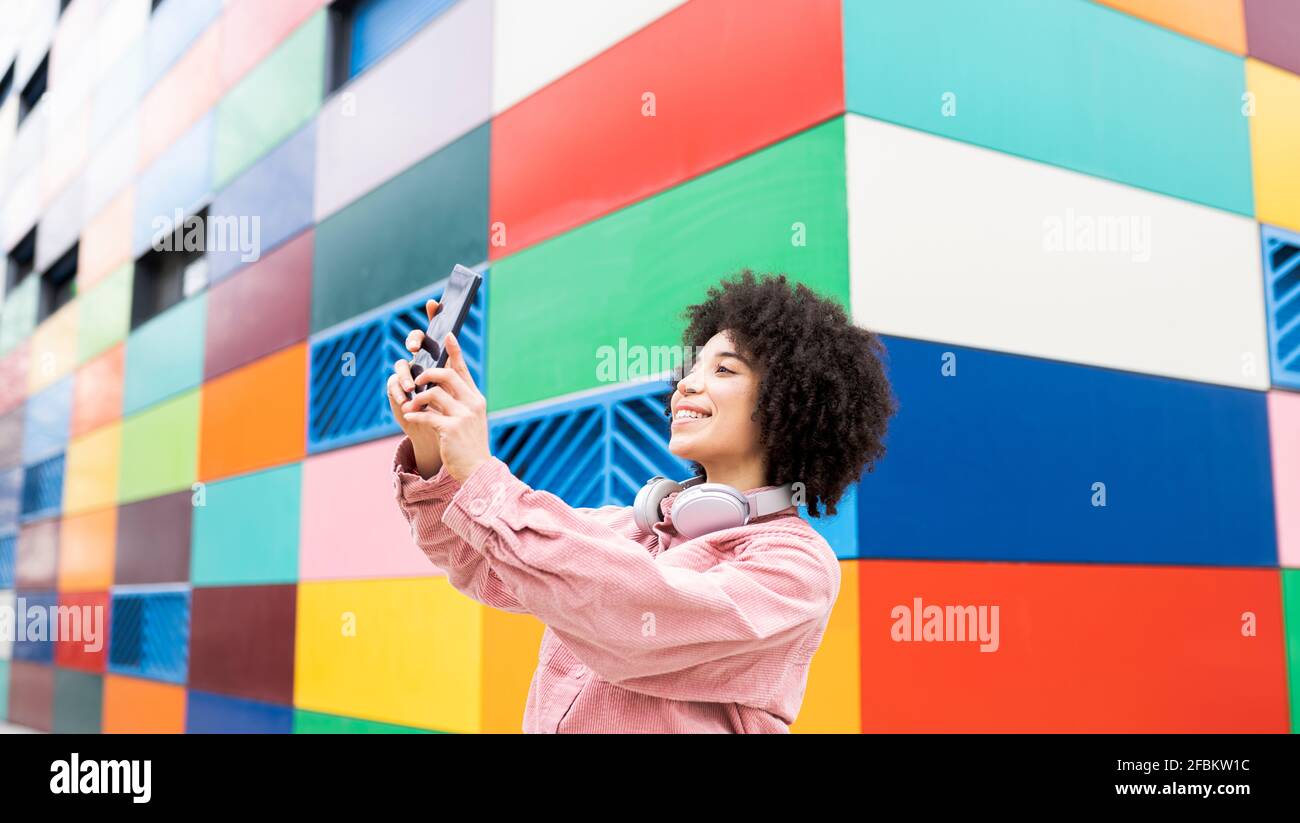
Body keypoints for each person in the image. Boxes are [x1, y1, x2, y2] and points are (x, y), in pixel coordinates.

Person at [386, 269, 897, 733]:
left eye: (724, 370)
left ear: (792, 403)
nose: (686, 384)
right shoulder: (627, 529)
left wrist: (482, 473)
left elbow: (633, 618)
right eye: (692, 367)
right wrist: (433, 448)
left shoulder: (796, 568)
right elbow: (481, 558)